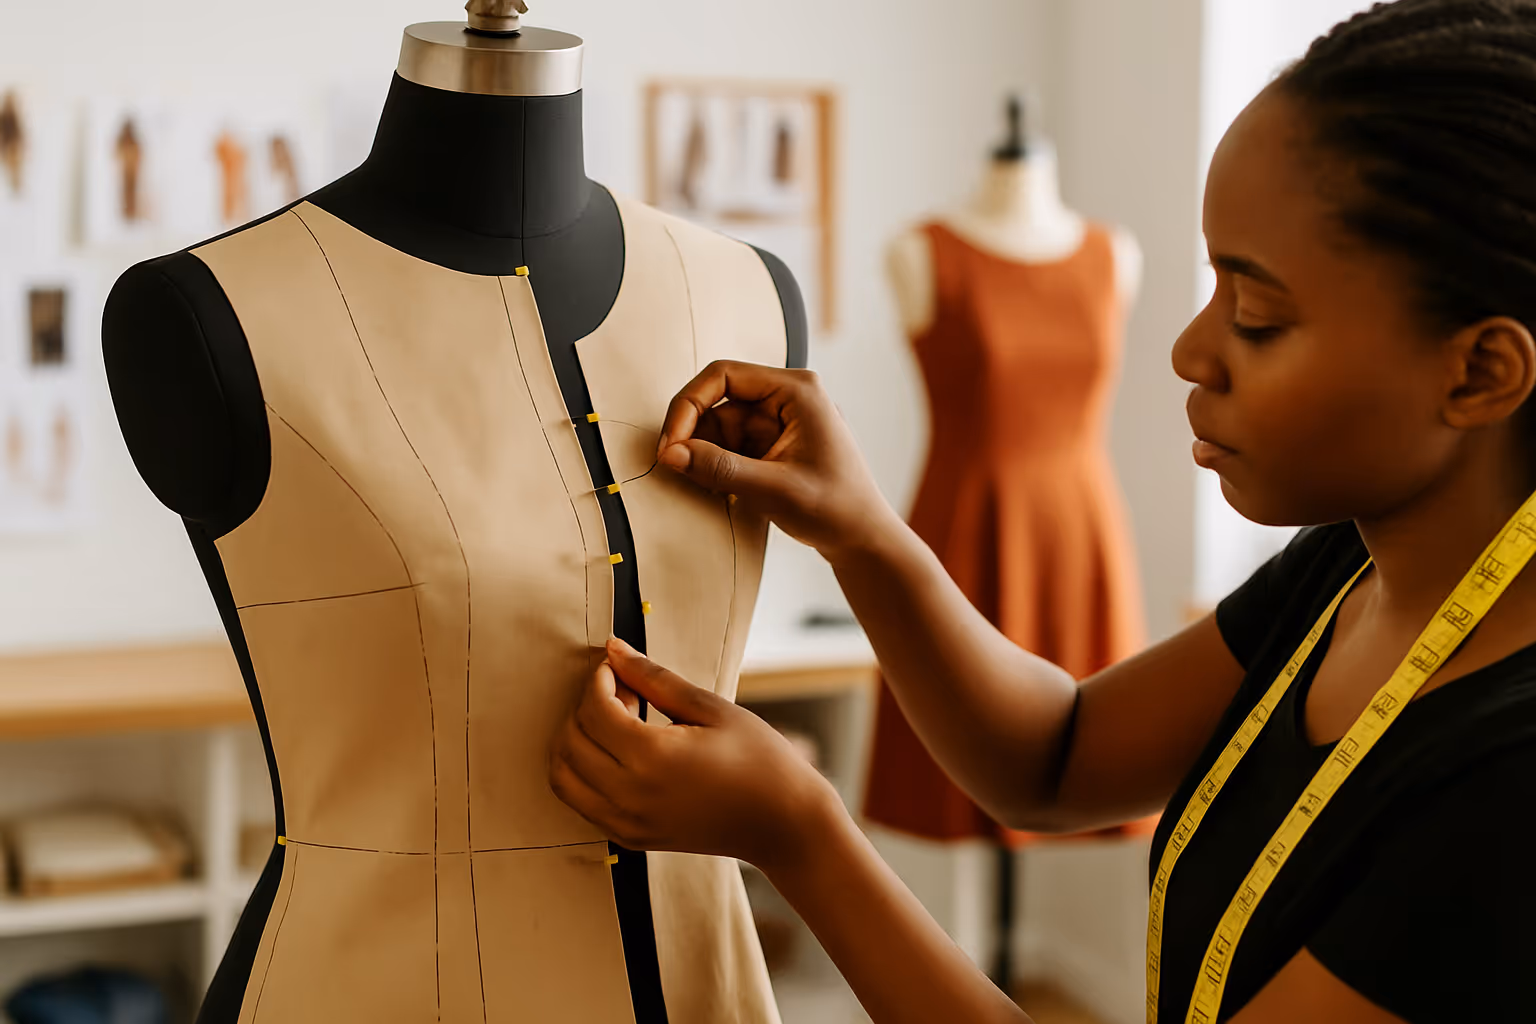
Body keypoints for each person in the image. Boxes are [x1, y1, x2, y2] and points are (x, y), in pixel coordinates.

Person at [548, 2, 1536, 1021]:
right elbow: (1052, 757)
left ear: (1480, 372)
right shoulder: (1352, 569)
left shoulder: (1513, 786)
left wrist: (802, 833)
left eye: (1257, 316)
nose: (1190, 353)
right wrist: (860, 529)